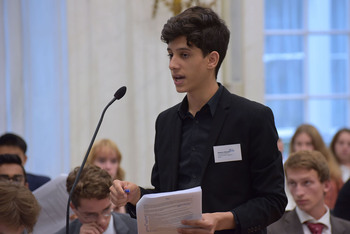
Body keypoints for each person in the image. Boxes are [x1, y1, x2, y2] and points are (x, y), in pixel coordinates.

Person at [110, 6, 287, 234]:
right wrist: (137, 196)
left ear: (211, 59)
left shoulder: (253, 118)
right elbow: (167, 197)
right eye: (170, 54)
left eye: (184, 54)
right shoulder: (165, 122)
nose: (173, 64)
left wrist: (224, 220)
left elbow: (273, 200)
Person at [33, 138, 127, 233]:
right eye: (102, 160)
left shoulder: (128, 200)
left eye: (113, 161)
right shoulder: (78, 190)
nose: (108, 166)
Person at [267, 150, 350, 234]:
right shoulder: (273, 229)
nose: (299, 192)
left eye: (307, 182)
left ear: (326, 185)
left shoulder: (346, 229)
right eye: (292, 183)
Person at [55, 164, 137, 234]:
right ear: (74, 208)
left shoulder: (137, 227)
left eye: (106, 210)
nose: (102, 221)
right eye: (90, 215)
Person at [288, 124, 343, 210]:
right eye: (299, 144)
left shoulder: (332, 175)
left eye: (308, 144)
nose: (303, 149)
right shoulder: (287, 172)